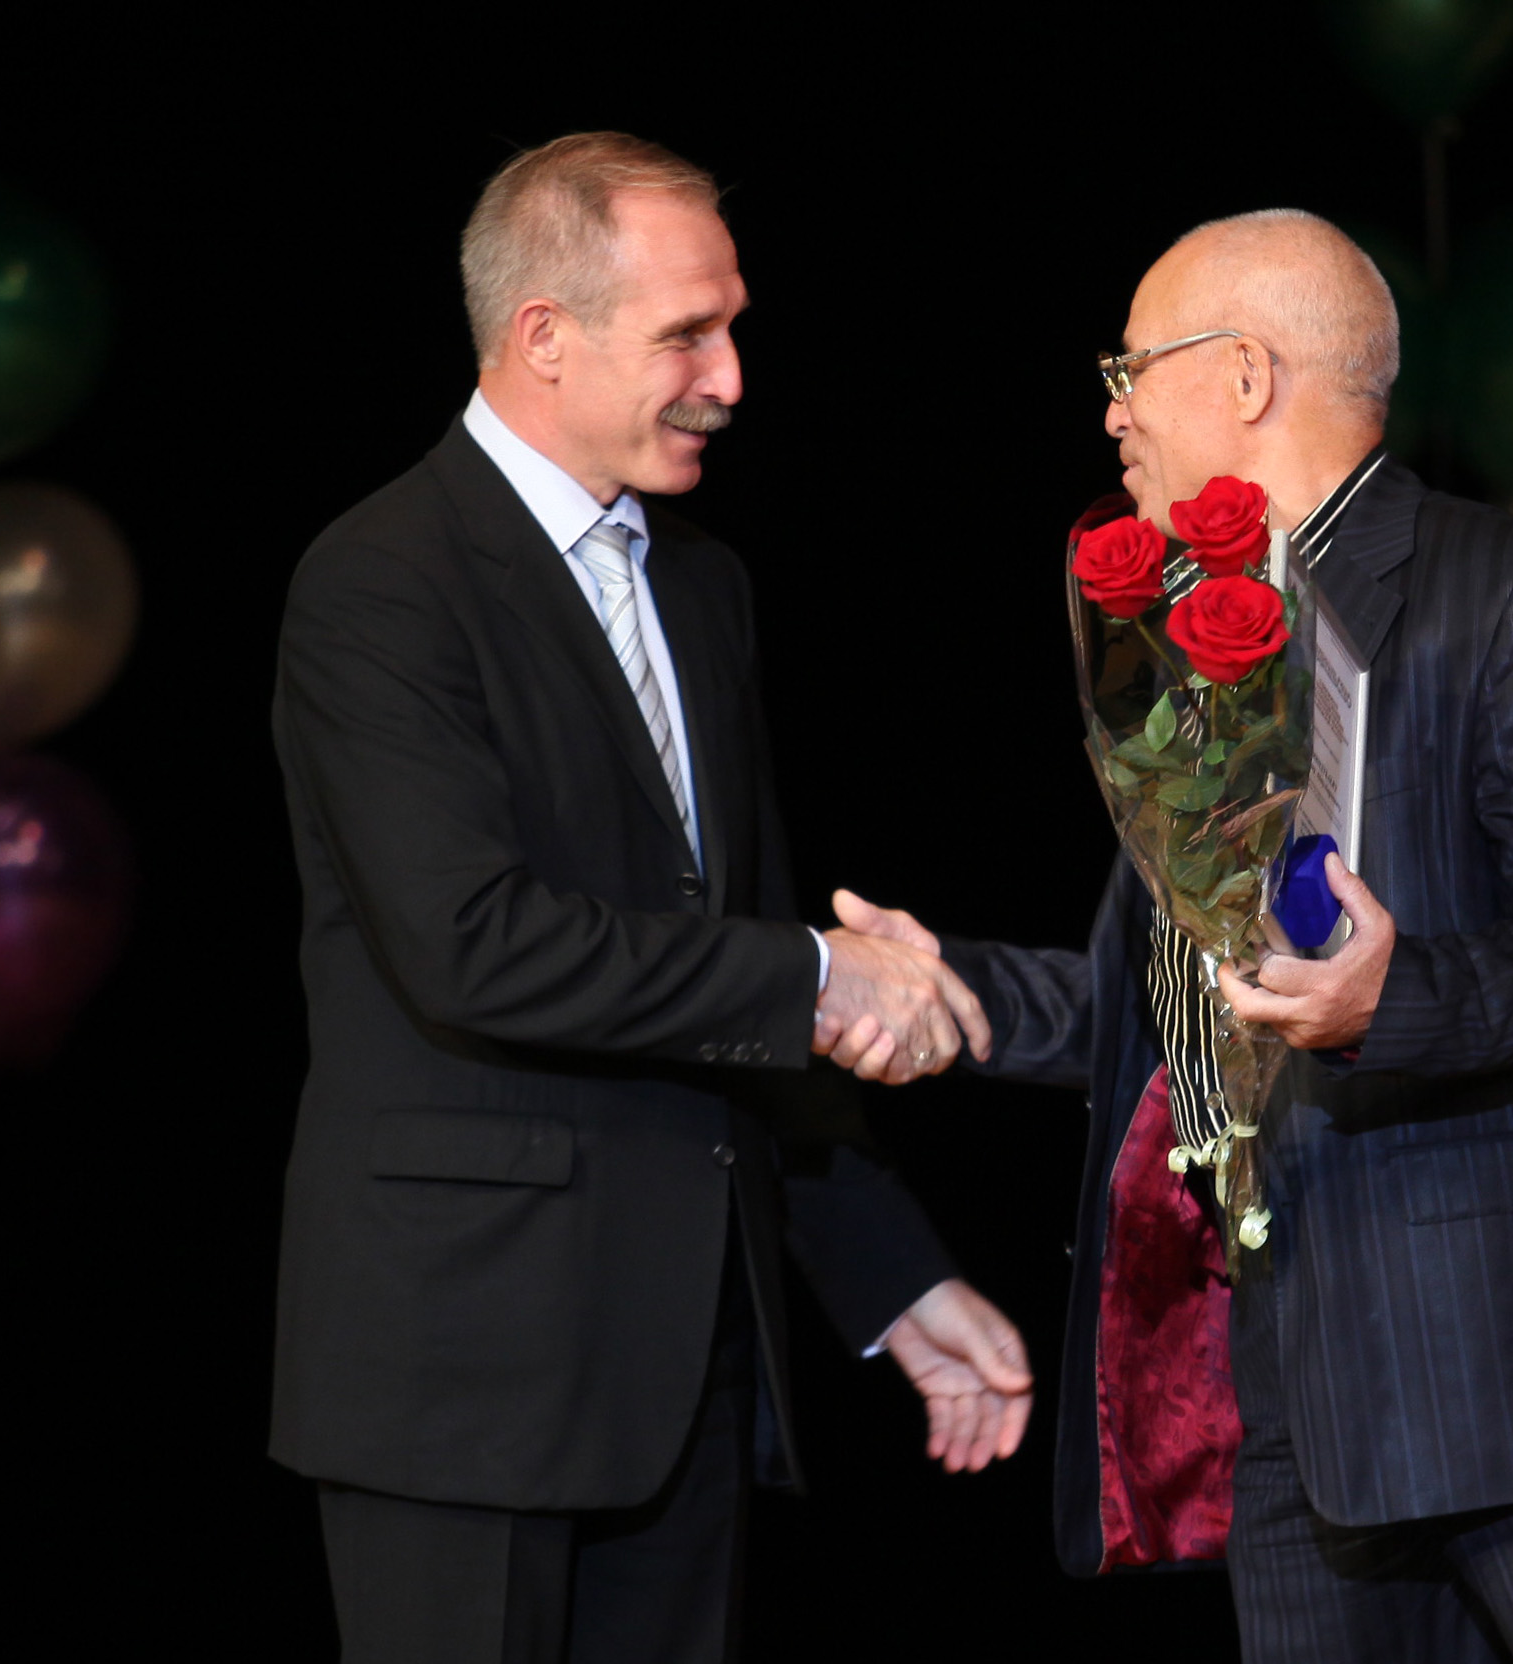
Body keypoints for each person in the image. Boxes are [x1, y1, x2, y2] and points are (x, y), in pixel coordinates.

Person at [830, 210, 1513, 1661]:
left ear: (1246, 374)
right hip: (1300, 1408)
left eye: (1130, 368)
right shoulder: (1187, 641)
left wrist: (1393, 1000)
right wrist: (938, 989)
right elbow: (1166, 1006)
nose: (1112, 412)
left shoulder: (1508, 589)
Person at [269, 132, 1030, 1664]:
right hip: (466, 1376)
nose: (731, 379)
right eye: (689, 334)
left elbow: (732, 957)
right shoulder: (381, 582)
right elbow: (475, 949)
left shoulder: (704, 582)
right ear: (544, 334)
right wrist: (825, 976)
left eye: (732, 328)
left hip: (691, 1361)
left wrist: (889, 1275)